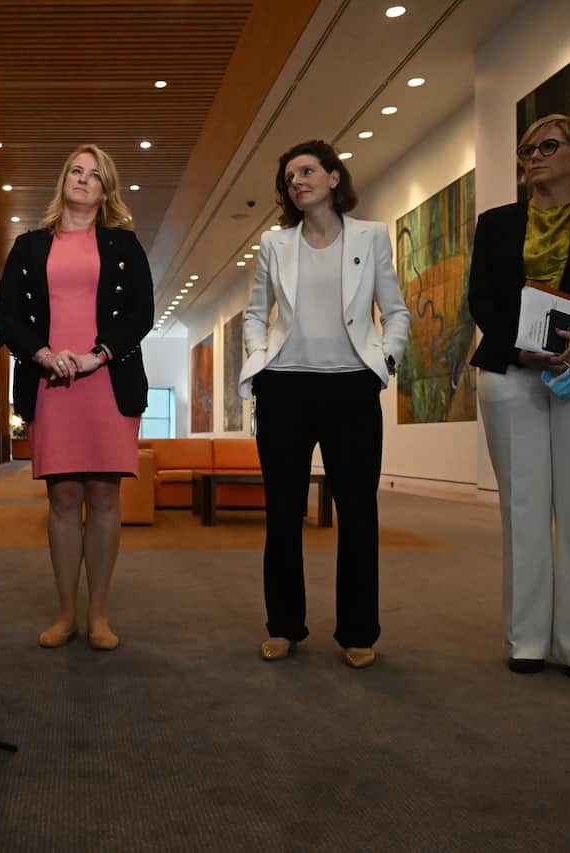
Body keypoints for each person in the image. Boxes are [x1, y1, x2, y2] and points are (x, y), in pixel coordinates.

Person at [468, 114, 570, 682]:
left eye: (547, 146)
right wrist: (517, 350)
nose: (533, 157)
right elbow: (482, 299)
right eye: (526, 149)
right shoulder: (495, 224)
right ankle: (526, 640)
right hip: (511, 374)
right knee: (523, 510)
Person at [238, 139, 409, 669]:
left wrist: (385, 363)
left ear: (335, 178)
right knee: (283, 514)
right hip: (284, 387)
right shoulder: (274, 244)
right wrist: (260, 360)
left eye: (307, 171)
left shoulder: (371, 236)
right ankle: (284, 625)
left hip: (352, 387)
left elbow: (395, 311)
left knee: (358, 512)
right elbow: (255, 313)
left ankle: (358, 630)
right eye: (290, 177)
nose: (297, 182)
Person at [0, 144, 153, 651]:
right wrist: (42, 353)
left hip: (107, 381)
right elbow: (9, 317)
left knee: (105, 496)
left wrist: (97, 354)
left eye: (95, 175)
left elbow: (140, 314)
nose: (83, 180)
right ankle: (66, 613)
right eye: (76, 171)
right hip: (50, 382)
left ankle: (99, 615)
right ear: (64, 179)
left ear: (106, 190)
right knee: (62, 498)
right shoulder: (28, 246)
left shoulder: (124, 246)